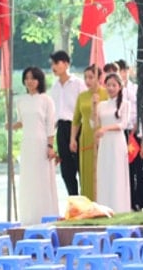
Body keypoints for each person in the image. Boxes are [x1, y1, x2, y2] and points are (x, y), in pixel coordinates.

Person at [13, 66, 59, 224]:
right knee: (28, 179)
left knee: (42, 179)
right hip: (27, 143)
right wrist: (11, 125)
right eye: (27, 78)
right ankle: (29, 217)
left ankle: (45, 215)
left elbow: (50, 124)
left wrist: (50, 146)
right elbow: (21, 122)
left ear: (39, 80)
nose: (30, 81)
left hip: (41, 143)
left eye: (33, 78)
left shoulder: (46, 100)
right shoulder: (21, 101)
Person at [114, 60, 143, 211]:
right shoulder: (115, 91)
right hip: (121, 131)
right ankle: (130, 201)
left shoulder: (135, 89)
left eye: (123, 70)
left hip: (135, 131)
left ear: (128, 71)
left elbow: (141, 109)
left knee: (139, 169)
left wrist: (136, 127)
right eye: (118, 71)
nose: (121, 74)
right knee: (125, 169)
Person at [49, 50, 85, 196]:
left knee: (80, 165)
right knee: (66, 169)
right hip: (61, 128)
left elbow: (83, 108)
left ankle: (86, 199)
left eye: (56, 63)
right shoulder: (55, 87)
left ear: (66, 64)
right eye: (52, 64)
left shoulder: (78, 84)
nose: (54, 67)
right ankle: (74, 199)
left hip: (76, 127)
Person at [95, 73, 131, 214]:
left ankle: (119, 207)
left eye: (113, 85)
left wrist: (106, 128)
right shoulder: (101, 105)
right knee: (105, 172)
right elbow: (95, 124)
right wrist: (94, 107)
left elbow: (123, 124)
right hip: (104, 143)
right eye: (108, 85)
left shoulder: (124, 104)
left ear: (120, 87)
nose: (110, 88)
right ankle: (104, 207)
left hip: (116, 141)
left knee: (117, 173)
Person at [70, 66, 107, 200]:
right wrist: (73, 139)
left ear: (99, 78)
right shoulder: (82, 96)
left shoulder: (106, 94)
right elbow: (76, 120)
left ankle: (103, 199)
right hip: (86, 136)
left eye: (91, 77)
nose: (87, 80)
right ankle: (88, 200)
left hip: (103, 135)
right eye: (85, 77)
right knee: (87, 171)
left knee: (101, 170)